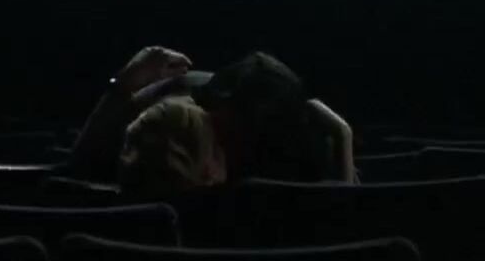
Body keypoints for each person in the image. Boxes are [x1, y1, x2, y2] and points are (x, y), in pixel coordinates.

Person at [68, 46, 355, 188]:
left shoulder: (172, 106)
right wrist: (343, 138)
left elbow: (76, 173)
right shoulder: (174, 116)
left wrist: (123, 87)